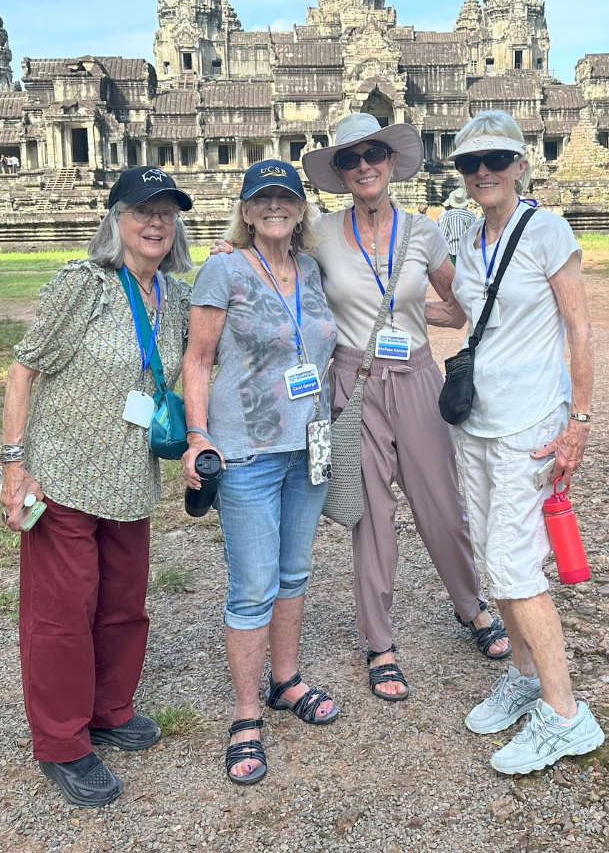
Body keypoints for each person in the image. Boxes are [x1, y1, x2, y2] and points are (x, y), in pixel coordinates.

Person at [0, 166, 195, 808]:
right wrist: (12, 465)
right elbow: (23, 371)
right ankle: (61, 742)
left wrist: (239, 255)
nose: (156, 222)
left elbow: (200, 360)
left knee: (122, 606)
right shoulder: (83, 286)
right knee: (61, 615)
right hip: (62, 477)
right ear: (115, 221)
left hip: (131, 479)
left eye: (167, 212)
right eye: (142, 210)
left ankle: (109, 707)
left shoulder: (177, 298)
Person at [298, 113, 511, 704]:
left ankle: (470, 606)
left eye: (374, 154)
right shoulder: (317, 233)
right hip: (353, 382)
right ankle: (380, 642)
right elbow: (285, 281)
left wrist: (411, 320)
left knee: (442, 505)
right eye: (350, 158)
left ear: (391, 162)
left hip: (416, 375)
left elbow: (457, 305)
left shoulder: (424, 232)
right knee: (370, 515)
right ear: (339, 173)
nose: (363, 165)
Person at [443, 111, 605, 774]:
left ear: (520, 164)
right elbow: (459, 313)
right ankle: (525, 678)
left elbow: (579, 327)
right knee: (490, 558)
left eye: (495, 160)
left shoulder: (546, 229)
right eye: (469, 164)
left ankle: (567, 717)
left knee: (516, 566)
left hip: (531, 424)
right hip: (476, 420)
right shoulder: (467, 234)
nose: (483, 173)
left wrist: (581, 419)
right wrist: (365, 304)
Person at [181, 160, 342, 785]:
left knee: (295, 570)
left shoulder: (310, 269)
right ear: (246, 212)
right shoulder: (223, 268)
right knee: (252, 584)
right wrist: (198, 437)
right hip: (245, 449)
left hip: (310, 444)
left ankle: (285, 679)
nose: (275, 207)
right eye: (262, 199)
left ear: (301, 211)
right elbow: (197, 361)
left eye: (286, 198)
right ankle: (246, 713)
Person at [438, 186, 478, 264]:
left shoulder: (447, 215)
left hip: (451, 250)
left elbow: (443, 234)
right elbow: (474, 235)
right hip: (466, 251)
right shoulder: (470, 215)